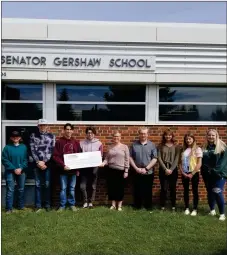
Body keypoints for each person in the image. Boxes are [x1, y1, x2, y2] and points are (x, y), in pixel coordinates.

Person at [53, 123, 81, 212]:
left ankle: (72, 204)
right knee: (63, 189)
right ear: (64, 130)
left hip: (73, 170)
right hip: (63, 169)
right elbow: (55, 156)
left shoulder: (76, 142)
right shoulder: (59, 142)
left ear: (72, 131)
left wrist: (77, 169)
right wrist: (63, 165)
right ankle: (62, 205)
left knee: (72, 188)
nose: (68, 131)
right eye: (67, 129)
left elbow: (79, 156)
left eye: (70, 129)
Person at [30, 119, 55, 212]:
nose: (42, 127)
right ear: (38, 126)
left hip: (47, 164)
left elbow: (52, 150)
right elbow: (32, 149)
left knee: (47, 185)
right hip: (37, 165)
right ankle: (38, 205)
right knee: (38, 185)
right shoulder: (33, 136)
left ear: (47, 126)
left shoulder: (52, 136)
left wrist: (44, 162)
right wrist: (38, 162)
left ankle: (47, 205)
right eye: (41, 125)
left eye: (44, 125)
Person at [201, 129, 227, 221]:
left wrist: (214, 171)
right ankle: (212, 210)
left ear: (216, 136)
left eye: (213, 135)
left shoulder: (222, 147)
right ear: (207, 136)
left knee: (217, 191)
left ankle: (222, 214)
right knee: (210, 192)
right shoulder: (204, 147)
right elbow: (202, 161)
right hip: (207, 174)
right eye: (209, 135)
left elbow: (222, 163)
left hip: (219, 174)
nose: (211, 137)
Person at [100, 131, 129, 211]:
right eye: (115, 136)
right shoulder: (110, 147)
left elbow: (127, 159)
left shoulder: (124, 147)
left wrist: (126, 171)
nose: (116, 138)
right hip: (111, 170)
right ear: (113, 137)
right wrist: (103, 163)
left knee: (120, 188)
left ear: (120, 137)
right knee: (111, 187)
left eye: (118, 136)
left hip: (121, 170)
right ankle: (113, 204)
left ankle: (119, 206)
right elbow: (106, 159)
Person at [129, 127, 157, 211]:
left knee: (148, 190)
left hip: (148, 172)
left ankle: (148, 206)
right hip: (136, 171)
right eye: (141, 133)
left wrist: (146, 168)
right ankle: (137, 206)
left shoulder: (152, 145)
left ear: (147, 134)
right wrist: (136, 168)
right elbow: (130, 157)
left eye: (144, 133)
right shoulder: (134, 145)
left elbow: (155, 158)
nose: (143, 135)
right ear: (139, 134)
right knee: (137, 189)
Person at [2, 130, 28, 214]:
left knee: (21, 189)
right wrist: (14, 169)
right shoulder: (7, 148)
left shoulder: (23, 147)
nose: (15, 138)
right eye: (13, 137)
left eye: (17, 136)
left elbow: (25, 159)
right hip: (10, 171)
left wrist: (20, 168)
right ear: (11, 138)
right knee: (10, 189)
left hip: (21, 171)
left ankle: (20, 205)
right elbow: (4, 160)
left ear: (20, 137)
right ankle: (9, 208)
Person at [80, 126, 103, 209]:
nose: (90, 134)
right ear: (86, 133)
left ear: (94, 133)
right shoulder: (81, 143)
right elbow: (79, 155)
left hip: (94, 168)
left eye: (91, 132)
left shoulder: (99, 143)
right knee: (82, 186)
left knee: (93, 186)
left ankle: (91, 202)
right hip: (84, 168)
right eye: (88, 132)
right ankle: (85, 201)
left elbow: (101, 155)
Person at [180, 132, 202, 216]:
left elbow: (199, 163)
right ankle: (186, 208)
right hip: (185, 173)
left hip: (194, 173)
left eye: (190, 139)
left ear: (193, 139)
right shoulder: (183, 149)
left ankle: (195, 209)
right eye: (186, 139)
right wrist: (183, 172)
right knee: (185, 191)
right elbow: (180, 163)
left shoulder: (197, 149)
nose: (188, 140)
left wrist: (192, 174)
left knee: (194, 190)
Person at [158, 129, 180, 211]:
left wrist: (171, 169)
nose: (168, 136)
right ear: (164, 136)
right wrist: (165, 169)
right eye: (166, 135)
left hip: (173, 170)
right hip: (163, 170)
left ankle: (173, 206)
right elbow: (159, 158)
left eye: (170, 135)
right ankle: (162, 206)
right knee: (163, 188)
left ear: (172, 136)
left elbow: (177, 159)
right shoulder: (160, 146)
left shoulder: (176, 146)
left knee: (173, 188)